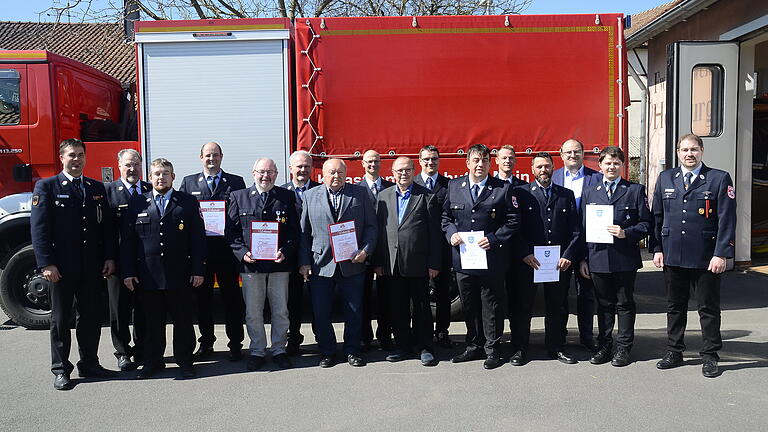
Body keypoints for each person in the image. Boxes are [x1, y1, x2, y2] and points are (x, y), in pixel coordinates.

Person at [31, 138, 118, 390]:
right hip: (61, 268)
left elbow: (106, 229)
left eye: (81, 155)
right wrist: (46, 263)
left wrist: (109, 257)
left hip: (91, 267)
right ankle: (60, 369)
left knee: (90, 318)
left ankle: (90, 363)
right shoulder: (46, 187)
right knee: (60, 320)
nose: (77, 159)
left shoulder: (95, 188)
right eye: (72, 155)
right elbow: (39, 230)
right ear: (62, 158)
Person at [651, 134, 736, 378]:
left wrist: (721, 253)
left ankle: (710, 355)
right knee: (674, 307)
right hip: (673, 255)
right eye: (685, 149)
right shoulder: (666, 178)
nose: (689, 154)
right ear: (678, 152)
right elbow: (658, 216)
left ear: (702, 151)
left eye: (694, 149)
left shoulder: (718, 178)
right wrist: (657, 248)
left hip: (705, 257)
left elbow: (727, 219)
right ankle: (674, 351)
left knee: (708, 308)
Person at [121, 158, 206, 379]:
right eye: (157, 173)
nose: (161, 177)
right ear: (150, 177)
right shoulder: (138, 202)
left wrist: (198, 269)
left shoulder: (187, 202)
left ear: (173, 177)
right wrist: (128, 271)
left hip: (180, 274)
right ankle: (153, 362)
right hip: (148, 275)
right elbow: (128, 240)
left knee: (184, 322)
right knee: (152, 323)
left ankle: (185, 361)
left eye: (165, 173)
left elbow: (198, 239)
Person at [442, 144, 519, 369]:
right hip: (464, 260)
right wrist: (451, 234)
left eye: (484, 160)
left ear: (489, 163)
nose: (480, 164)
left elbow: (513, 221)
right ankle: (473, 345)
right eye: (475, 160)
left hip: (491, 259)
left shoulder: (502, 188)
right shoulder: (454, 186)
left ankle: (492, 348)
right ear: (467, 163)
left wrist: (494, 239)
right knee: (469, 305)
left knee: (491, 305)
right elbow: (446, 218)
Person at [299, 159, 377, 368]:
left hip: (352, 262)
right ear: (322, 175)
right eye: (331, 172)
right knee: (321, 311)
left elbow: (371, 226)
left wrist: (365, 251)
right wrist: (304, 262)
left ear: (346, 174)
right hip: (321, 264)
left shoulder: (360, 194)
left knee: (353, 310)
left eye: (340, 173)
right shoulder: (309, 196)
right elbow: (304, 233)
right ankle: (327, 351)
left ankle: (352, 350)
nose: (336, 176)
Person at [578, 146, 652, 367]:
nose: (611, 167)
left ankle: (624, 348)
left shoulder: (635, 190)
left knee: (625, 303)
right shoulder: (590, 191)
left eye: (616, 163)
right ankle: (604, 346)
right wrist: (582, 258)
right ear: (600, 166)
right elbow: (582, 227)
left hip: (624, 258)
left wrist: (626, 233)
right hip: (598, 258)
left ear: (622, 166)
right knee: (603, 305)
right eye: (607, 163)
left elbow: (647, 224)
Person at [227, 158, 300, 371]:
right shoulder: (238, 197)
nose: (265, 176)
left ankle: (279, 349)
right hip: (251, 266)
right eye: (261, 172)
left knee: (280, 311)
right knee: (253, 311)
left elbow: (295, 232)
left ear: (276, 174)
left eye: (270, 172)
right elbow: (231, 232)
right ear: (253, 172)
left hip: (279, 265)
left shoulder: (286, 197)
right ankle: (257, 350)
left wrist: (285, 251)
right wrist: (243, 253)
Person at [509, 152, 581, 365]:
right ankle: (520, 348)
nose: (543, 170)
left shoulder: (565, 194)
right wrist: (524, 253)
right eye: (539, 166)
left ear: (553, 168)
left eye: (547, 166)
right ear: (532, 170)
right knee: (523, 307)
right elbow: (515, 229)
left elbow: (575, 230)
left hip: (557, 263)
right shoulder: (520, 193)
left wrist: (568, 255)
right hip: (529, 262)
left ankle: (556, 347)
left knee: (557, 306)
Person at [179, 142, 246, 361]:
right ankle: (206, 343)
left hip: (228, 251)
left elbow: (239, 217)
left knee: (232, 300)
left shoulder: (236, 182)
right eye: (208, 155)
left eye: (215, 155)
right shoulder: (189, 183)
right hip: (201, 253)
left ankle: (235, 343)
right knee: (203, 301)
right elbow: (182, 217)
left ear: (221, 157)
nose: (211, 159)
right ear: (200, 157)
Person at [373, 157, 441, 366]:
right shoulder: (383, 196)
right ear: (392, 173)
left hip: (419, 264)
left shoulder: (427, 196)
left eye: (408, 170)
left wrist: (434, 263)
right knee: (398, 308)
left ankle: (425, 348)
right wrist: (378, 262)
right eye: (399, 170)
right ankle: (403, 346)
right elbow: (379, 231)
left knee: (421, 309)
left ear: (414, 171)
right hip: (392, 264)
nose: (403, 174)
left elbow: (435, 234)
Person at [104, 148, 151, 371]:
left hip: (145, 262)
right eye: (128, 164)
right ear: (119, 166)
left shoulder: (151, 190)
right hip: (119, 262)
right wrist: (108, 258)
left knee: (143, 308)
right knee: (119, 309)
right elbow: (103, 230)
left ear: (141, 167)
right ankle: (122, 352)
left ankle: (142, 348)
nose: (132, 168)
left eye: (136, 164)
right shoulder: (107, 192)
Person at [552, 138, 602, 351]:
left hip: (587, 246)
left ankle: (587, 336)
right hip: (560, 248)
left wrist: (584, 255)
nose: (573, 155)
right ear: (561, 155)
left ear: (584, 154)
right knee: (559, 295)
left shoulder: (597, 178)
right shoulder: (552, 177)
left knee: (586, 295)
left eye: (577, 151)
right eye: (568, 152)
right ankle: (560, 336)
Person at [280, 150, 321, 356]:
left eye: (306, 166)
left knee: (319, 300)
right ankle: (293, 338)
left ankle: (321, 338)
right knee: (292, 301)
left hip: (317, 255)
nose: (303, 170)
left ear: (312, 168)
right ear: (290, 169)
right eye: (299, 166)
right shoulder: (282, 193)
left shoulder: (321, 190)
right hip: (290, 256)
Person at [413, 145, 454, 348]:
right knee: (419, 293)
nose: (431, 162)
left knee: (443, 293)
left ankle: (442, 331)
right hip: (418, 249)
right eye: (427, 159)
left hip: (443, 248)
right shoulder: (412, 184)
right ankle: (423, 332)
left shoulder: (449, 185)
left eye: (434, 159)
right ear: (420, 161)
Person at [356, 149, 395, 351]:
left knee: (385, 297)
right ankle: (364, 336)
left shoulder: (390, 187)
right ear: (363, 164)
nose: (373, 165)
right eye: (369, 162)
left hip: (386, 252)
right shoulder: (355, 189)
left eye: (376, 162)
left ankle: (384, 334)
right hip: (362, 252)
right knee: (362, 297)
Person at [494, 145, 529, 347]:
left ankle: (519, 344)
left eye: (511, 158)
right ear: (496, 161)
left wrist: (524, 251)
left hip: (518, 255)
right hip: (494, 253)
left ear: (515, 161)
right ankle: (495, 343)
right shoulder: (489, 185)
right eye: (503, 158)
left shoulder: (524, 188)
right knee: (495, 302)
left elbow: (525, 225)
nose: (507, 161)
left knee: (519, 301)